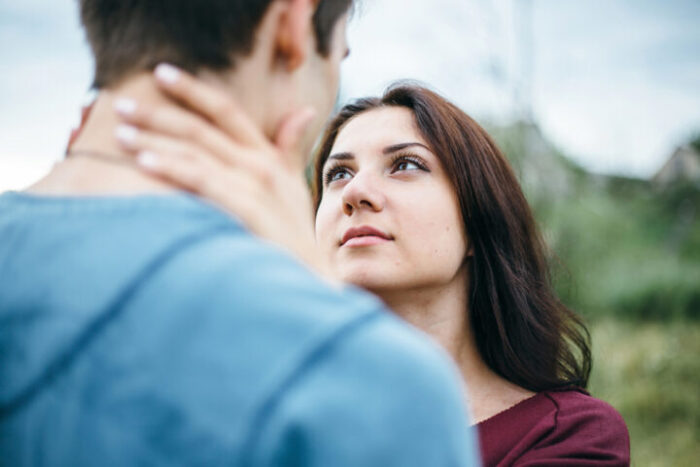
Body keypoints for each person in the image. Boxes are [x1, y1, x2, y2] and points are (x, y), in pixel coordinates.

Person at [0, 1, 480, 465]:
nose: (357, 192)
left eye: (405, 165)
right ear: (292, 25)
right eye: (339, 55)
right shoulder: (381, 391)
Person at [112, 77, 631, 465]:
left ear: (477, 223)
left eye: (405, 164)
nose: (355, 193)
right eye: (337, 174)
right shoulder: (253, 416)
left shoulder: (569, 435)